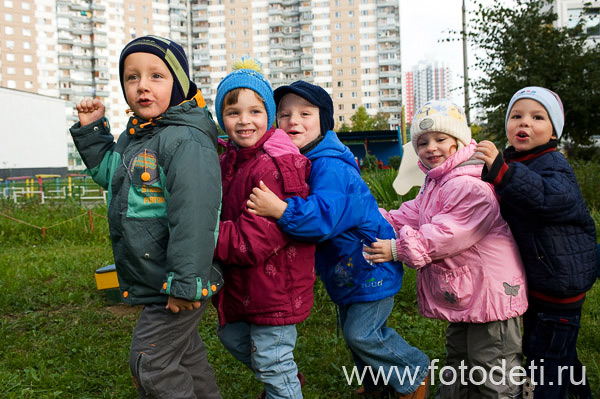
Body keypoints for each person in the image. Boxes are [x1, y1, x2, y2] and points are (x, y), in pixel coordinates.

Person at [247, 81, 430, 398]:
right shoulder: (307, 160)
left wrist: (280, 210)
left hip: (370, 264)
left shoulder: (330, 165)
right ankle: (378, 386)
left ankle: (413, 374)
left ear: (323, 122)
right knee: (356, 334)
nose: (293, 121)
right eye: (285, 114)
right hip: (349, 270)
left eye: (305, 113)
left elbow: (322, 219)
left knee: (362, 333)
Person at [69, 36, 222, 398]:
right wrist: (93, 131)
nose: (142, 86)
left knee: (149, 361)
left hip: (177, 279)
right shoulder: (137, 136)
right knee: (185, 357)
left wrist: (185, 282)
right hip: (157, 278)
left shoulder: (185, 140)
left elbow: (195, 216)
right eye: (132, 77)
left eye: (157, 76)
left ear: (180, 84)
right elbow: (112, 174)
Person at [363, 100, 528, 398]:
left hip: (491, 298)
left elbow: (447, 233)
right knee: (460, 360)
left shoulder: (469, 185)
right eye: (423, 142)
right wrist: (370, 217)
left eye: (440, 139)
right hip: (468, 295)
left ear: (459, 142)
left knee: (493, 367)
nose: (431, 147)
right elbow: (410, 213)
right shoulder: (438, 182)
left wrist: (399, 248)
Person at [475, 87, 597, 398]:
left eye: (537, 117)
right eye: (516, 116)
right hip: (539, 281)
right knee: (556, 353)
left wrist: (503, 171)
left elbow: (545, 197)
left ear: (554, 131)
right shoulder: (522, 162)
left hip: (558, 289)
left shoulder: (553, 165)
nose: (524, 123)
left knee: (546, 365)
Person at [212, 58, 315, 399]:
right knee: (233, 337)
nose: (244, 121)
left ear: (268, 115)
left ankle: (283, 387)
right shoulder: (232, 158)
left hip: (275, 287)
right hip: (248, 286)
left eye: (255, 111)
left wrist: (202, 233)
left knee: (271, 359)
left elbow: (251, 241)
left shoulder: (272, 166)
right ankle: (283, 383)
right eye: (233, 112)